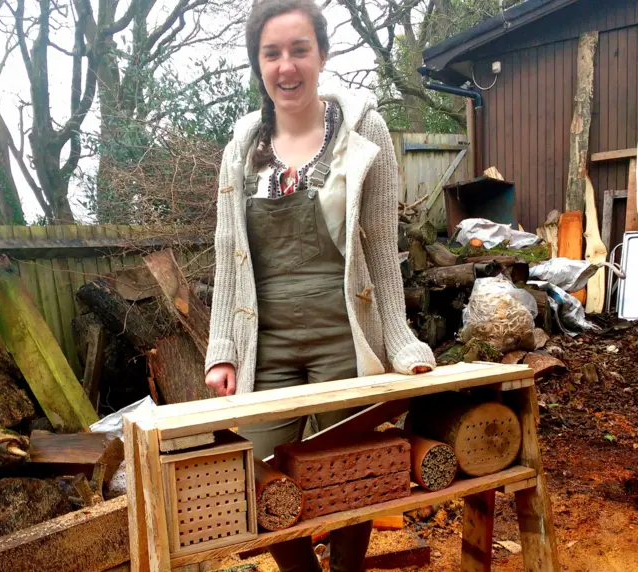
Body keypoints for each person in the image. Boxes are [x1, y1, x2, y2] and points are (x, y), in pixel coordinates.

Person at [204, 0, 436, 569]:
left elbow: (382, 246)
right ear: (258, 64)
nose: (287, 65)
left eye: (299, 50)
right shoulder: (240, 149)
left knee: (354, 478)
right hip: (269, 345)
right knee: (259, 483)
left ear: (323, 56)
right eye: (272, 53)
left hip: (345, 337)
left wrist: (402, 342)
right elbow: (227, 255)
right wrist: (222, 351)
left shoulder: (364, 133)